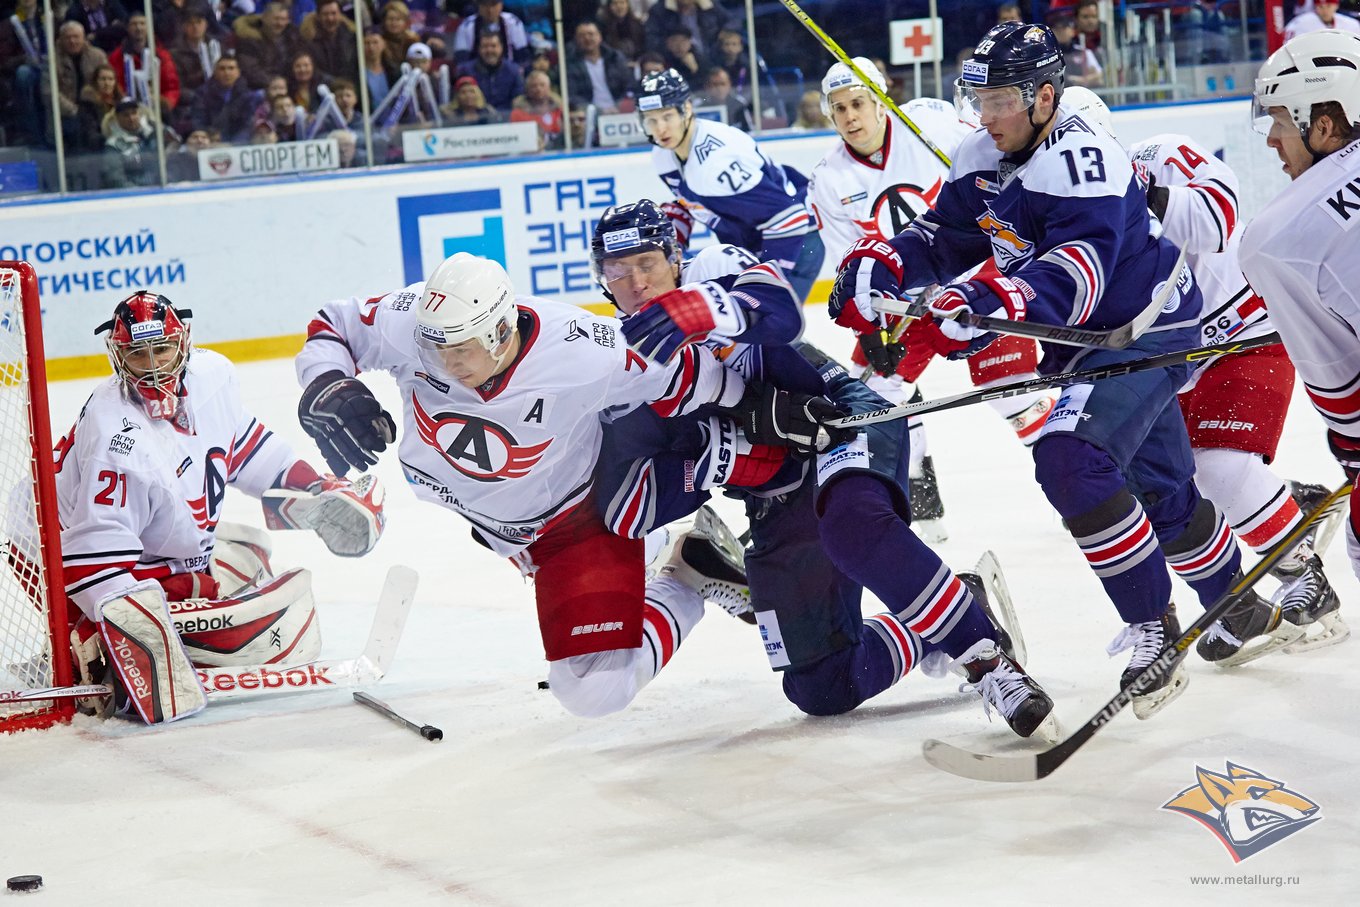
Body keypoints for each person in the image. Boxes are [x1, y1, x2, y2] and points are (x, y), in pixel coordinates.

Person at [831, 23, 1252, 717]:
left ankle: (1156, 627)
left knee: (1070, 457)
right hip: (1085, 343)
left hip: (1142, 329)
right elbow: (945, 235)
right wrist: (887, 260)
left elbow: (1077, 274)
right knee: (1162, 493)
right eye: (980, 98)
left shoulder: (1080, 157)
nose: (986, 115)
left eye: (1001, 100)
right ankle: (1238, 602)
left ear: (1045, 96)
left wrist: (990, 295)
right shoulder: (981, 152)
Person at [590, 201, 1058, 737]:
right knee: (821, 685)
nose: (635, 281)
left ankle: (988, 661)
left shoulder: (712, 269)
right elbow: (663, 488)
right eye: (617, 269)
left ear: (675, 258)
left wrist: (697, 312)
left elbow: (781, 310)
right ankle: (950, 612)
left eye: (647, 262)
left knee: (854, 527)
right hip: (777, 490)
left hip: (842, 418)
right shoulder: (621, 369)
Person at [293, 253, 763, 719]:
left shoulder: (583, 349)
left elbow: (693, 377)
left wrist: (770, 407)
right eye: (439, 349)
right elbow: (336, 324)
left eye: (462, 348)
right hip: (501, 522)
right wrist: (327, 382)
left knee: (591, 691)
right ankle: (660, 547)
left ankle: (685, 580)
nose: (449, 364)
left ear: (500, 331)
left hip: (575, 527)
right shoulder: (413, 321)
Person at [1064, 86, 1347, 660]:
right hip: (1174, 361)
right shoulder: (1061, 213)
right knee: (1169, 488)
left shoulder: (1159, 153)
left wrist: (1146, 196)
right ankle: (1282, 517)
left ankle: (1304, 578)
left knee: (1218, 467)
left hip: (1244, 329)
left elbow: (1220, 214)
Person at [52, 292, 385, 724]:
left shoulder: (213, 376)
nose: (152, 366)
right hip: (55, 551)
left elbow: (248, 450)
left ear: (184, 342)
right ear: (118, 356)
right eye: (137, 354)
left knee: (248, 554)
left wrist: (315, 486)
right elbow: (90, 562)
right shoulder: (118, 440)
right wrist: (132, 640)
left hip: (141, 537)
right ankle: (86, 636)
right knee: (215, 602)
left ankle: (165, 604)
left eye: (162, 349)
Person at [808, 57, 1058, 542]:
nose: (850, 116)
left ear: (882, 101)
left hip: (980, 272)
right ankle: (918, 503)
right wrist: (871, 327)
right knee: (873, 399)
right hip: (905, 300)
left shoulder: (932, 124)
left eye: (859, 102)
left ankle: (1081, 474)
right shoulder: (828, 179)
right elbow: (853, 264)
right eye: (839, 108)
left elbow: (997, 154)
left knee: (1013, 393)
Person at [1241, 31, 1360, 586]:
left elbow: (1340, 386)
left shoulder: (1277, 237)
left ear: (1325, 125)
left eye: (1281, 122)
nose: (1271, 140)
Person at [636, 68, 824, 303]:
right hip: (758, 241)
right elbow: (698, 201)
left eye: (667, 116)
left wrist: (765, 281)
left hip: (800, 239)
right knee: (748, 330)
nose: (660, 128)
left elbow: (789, 218)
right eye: (651, 120)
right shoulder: (663, 156)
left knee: (765, 329)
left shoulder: (715, 163)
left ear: (686, 109)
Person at [565, 20, 633, 114]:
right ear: (576, 39)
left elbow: (629, 86)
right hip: (589, 114)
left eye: (591, 34)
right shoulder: (570, 64)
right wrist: (598, 111)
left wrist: (619, 106)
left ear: (599, 36)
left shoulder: (615, 58)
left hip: (619, 110)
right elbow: (573, 96)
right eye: (582, 35)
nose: (587, 38)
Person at [188, 50, 256, 143]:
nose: (227, 73)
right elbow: (198, 121)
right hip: (209, 143)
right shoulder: (202, 94)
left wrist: (235, 146)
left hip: (237, 144)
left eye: (231, 68)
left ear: (238, 72)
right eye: (222, 69)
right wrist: (211, 137)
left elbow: (247, 125)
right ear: (215, 72)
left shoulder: (247, 95)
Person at [456, 28, 522, 115]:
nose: (489, 50)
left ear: (501, 48)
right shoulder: (466, 70)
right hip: (477, 120)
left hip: (507, 119)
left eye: (493, 46)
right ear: (479, 49)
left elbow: (519, 98)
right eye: (485, 46)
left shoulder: (513, 70)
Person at [451, 0, 530, 69]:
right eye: (485, 5)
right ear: (478, 6)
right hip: (475, 75)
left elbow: (522, 57)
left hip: (508, 73)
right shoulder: (466, 26)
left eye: (493, 5)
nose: (490, 10)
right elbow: (462, 60)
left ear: (501, 4)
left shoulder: (513, 22)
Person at [1284, 0, 1360, 40]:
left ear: (1336, 6)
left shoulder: (1352, 24)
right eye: (1320, 6)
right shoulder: (1300, 23)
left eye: (1328, 6)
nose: (1325, 10)